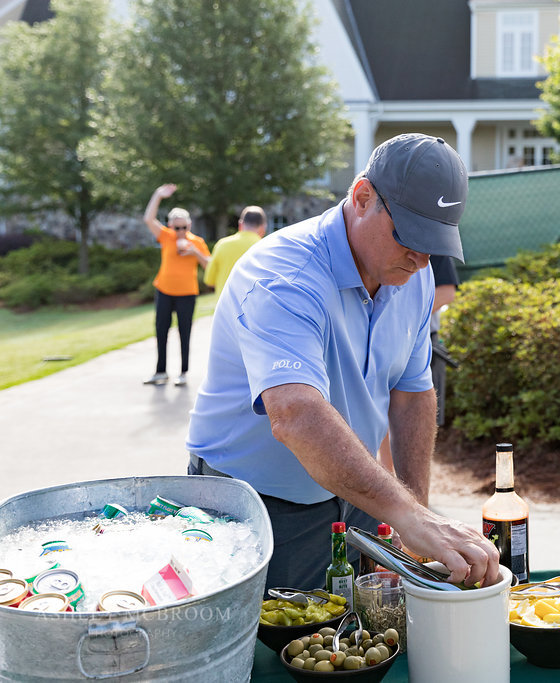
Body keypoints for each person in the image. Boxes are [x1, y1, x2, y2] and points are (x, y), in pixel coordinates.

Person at [185, 134, 500, 591]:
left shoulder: (416, 275)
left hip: (357, 493)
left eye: (433, 242)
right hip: (255, 505)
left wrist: (417, 518)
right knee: (273, 655)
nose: (420, 258)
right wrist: (409, 516)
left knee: (362, 640)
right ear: (362, 197)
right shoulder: (282, 276)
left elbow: (412, 394)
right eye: (410, 236)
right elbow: (295, 415)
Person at [378, 255, 459, 474]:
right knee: (380, 406)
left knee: (413, 411)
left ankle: (409, 482)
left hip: (420, 340)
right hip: (383, 336)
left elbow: (446, 293)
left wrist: (405, 316)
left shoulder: (436, 245)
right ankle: (388, 475)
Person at [143, 184, 211, 387]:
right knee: (161, 330)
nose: (181, 231)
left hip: (187, 293)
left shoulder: (196, 242)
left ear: (190, 225)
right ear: (171, 226)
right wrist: (158, 195)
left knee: (184, 331)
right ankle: (160, 371)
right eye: (177, 227)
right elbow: (148, 219)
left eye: (184, 227)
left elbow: (210, 265)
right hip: (163, 290)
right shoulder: (166, 236)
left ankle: (183, 372)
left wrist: (195, 253)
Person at [203, 205, 267, 298]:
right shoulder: (264, 247)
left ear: (240, 224)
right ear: (263, 227)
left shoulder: (222, 244)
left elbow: (209, 280)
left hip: (225, 305)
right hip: (253, 305)